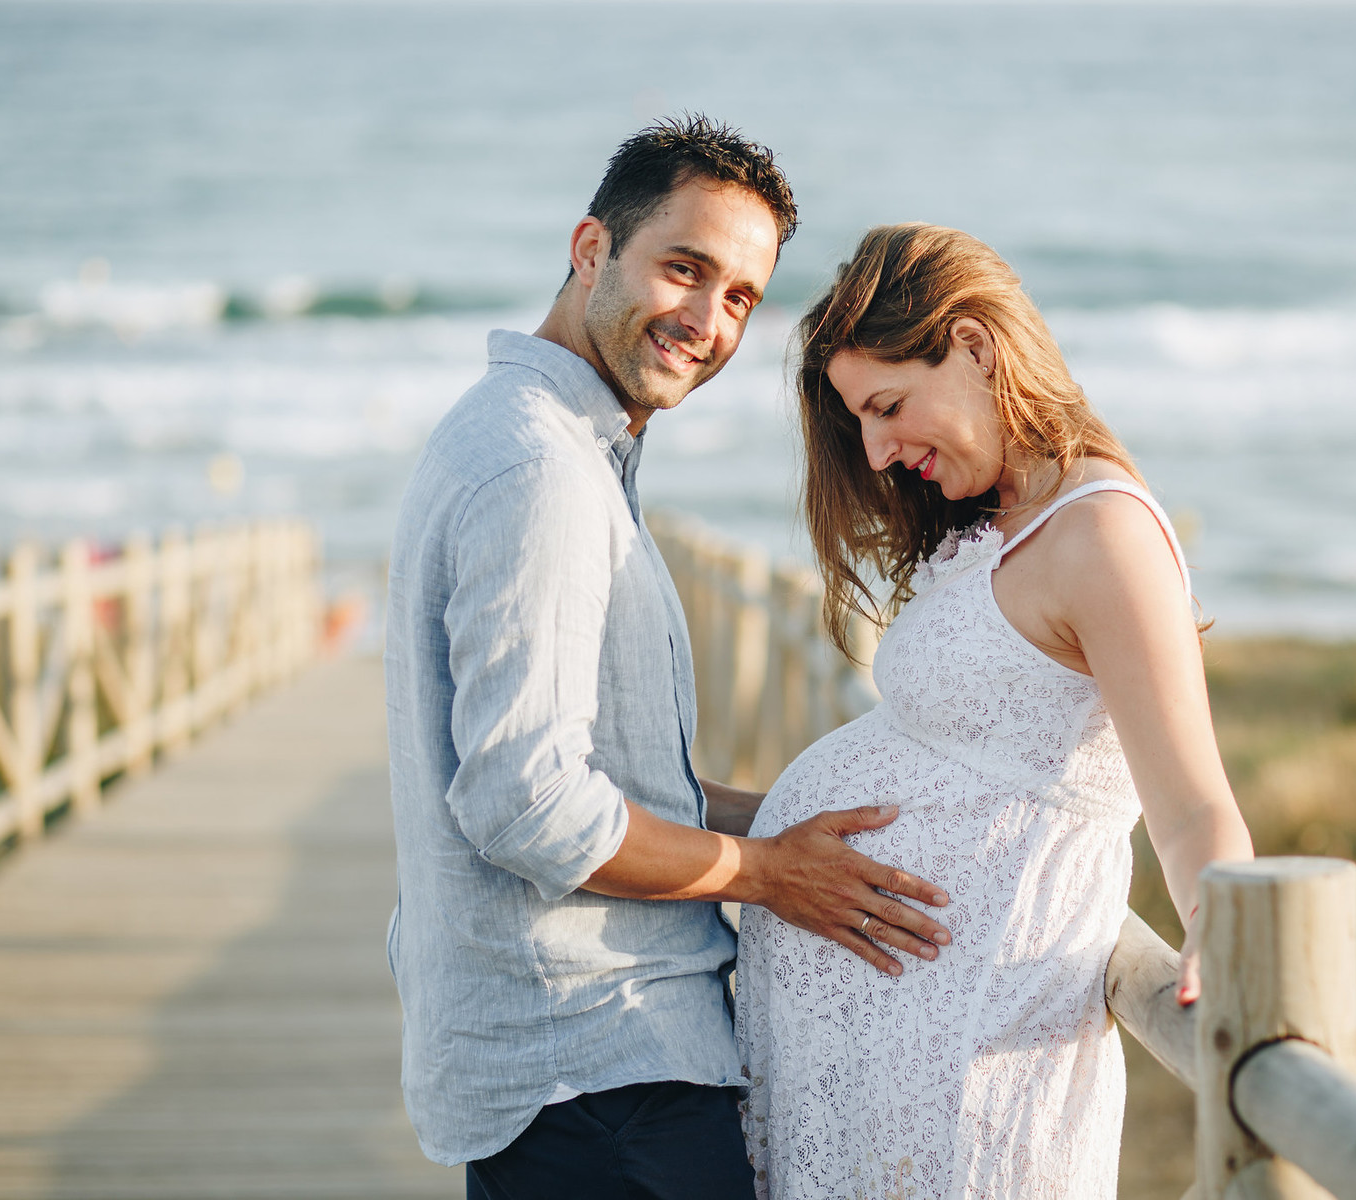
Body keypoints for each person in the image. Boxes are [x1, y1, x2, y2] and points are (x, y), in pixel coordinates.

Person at [382, 119, 952, 1200]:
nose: (707, 319)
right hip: (596, 1072)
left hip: (595, 1067)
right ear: (591, 248)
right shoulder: (538, 473)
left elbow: (617, 780)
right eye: (683, 269)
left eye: (740, 295)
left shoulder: (546, 443)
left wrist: (784, 814)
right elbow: (525, 805)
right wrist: (772, 877)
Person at [734, 223, 1257, 1198]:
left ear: (974, 345)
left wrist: (1225, 933)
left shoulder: (1101, 534)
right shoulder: (991, 522)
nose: (880, 452)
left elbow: (1189, 803)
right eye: (862, 423)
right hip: (892, 1064)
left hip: (974, 1061)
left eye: (887, 407)